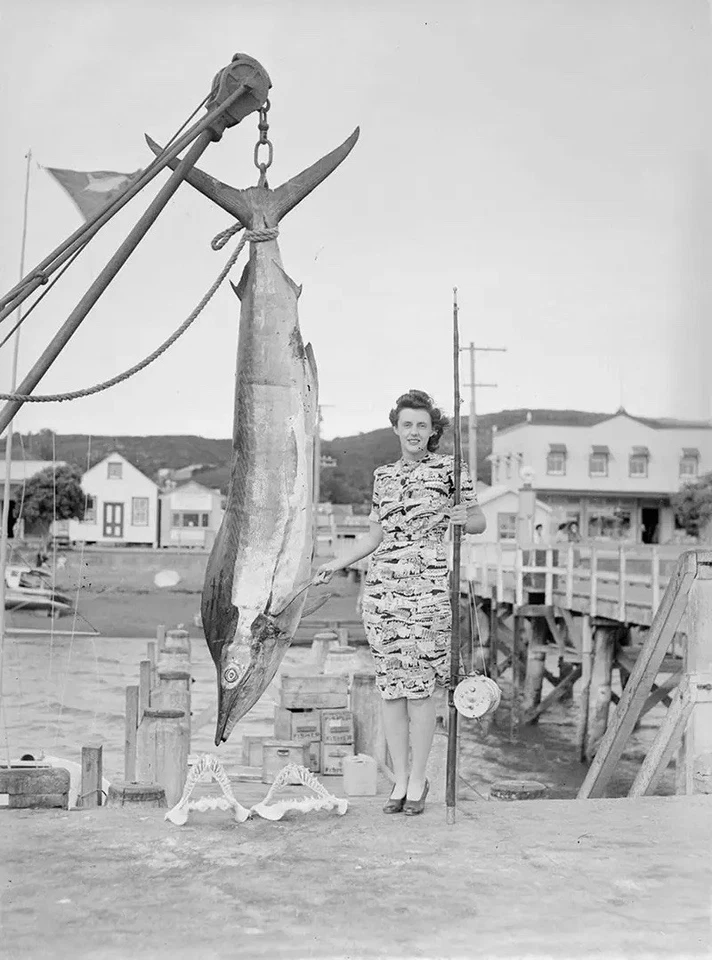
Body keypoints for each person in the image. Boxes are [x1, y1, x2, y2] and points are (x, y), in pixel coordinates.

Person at [314, 389, 486, 815]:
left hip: (427, 591)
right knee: (391, 690)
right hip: (383, 592)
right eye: (407, 424)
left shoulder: (451, 470)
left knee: (421, 691)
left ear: (432, 432)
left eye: (422, 426)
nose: (414, 432)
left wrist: (466, 518)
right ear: (396, 428)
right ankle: (400, 778)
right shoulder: (383, 476)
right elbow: (375, 537)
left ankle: (419, 778)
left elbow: (479, 519)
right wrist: (336, 563)